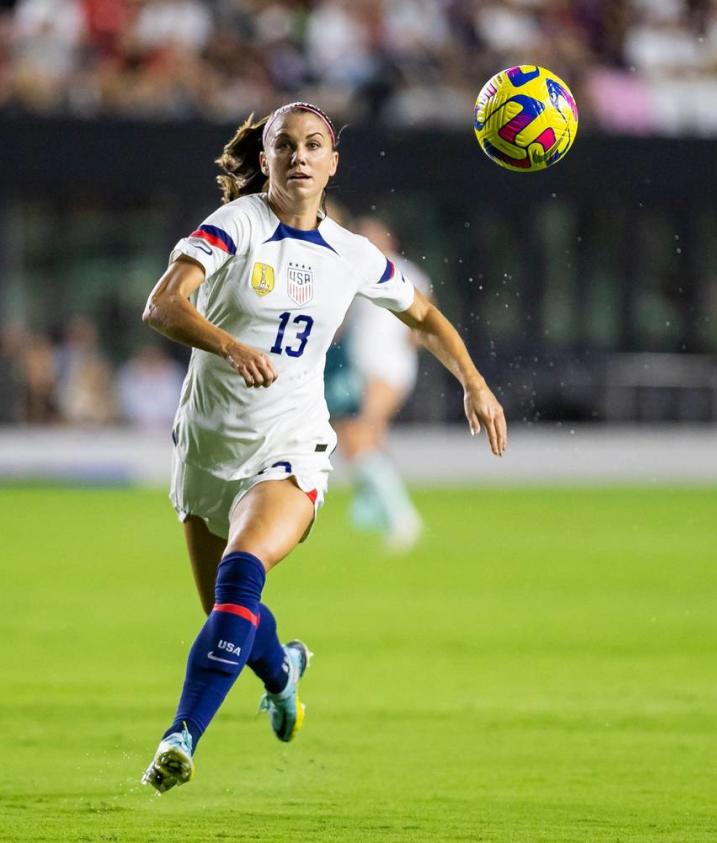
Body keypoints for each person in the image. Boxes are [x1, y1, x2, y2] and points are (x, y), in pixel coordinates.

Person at [140, 101, 507, 793]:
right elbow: (162, 304)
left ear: (333, 162)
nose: (300, 156)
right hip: (208, 444)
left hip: (292, 440)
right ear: (268, 159)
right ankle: (283, 670)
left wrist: (474, 381)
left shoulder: (355, 255)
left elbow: (422, 315)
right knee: (227, 616)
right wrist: (228, 343)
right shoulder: (236, 225)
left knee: (243, 571)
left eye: (314, 145)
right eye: (286, 145)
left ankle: (179, 737)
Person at [326, 214, 432, 552]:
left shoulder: (406, 272)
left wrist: (412, 341)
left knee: (362, 435)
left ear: (389, 239)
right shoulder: (360, 270)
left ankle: (400, 518)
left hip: (387, 370)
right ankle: (375, 507)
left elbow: (425, 316)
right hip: (360, 369)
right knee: (358, 438)